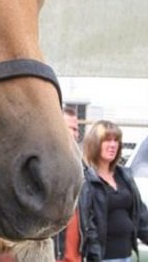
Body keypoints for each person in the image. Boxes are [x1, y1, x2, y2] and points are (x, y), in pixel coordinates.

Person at [78, 120, 148, 262]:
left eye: (116, 140)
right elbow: (88, 225)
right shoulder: (86, 180)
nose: (113, 145)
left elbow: (142, 218)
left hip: (126, 256)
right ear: (95, 144)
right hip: (103, 258)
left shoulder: (124, 176)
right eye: (107, 140)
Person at [52, 106, 83, 262]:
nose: (76, 134)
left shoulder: (83, 172)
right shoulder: (43, 172)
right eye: (71, 128)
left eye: (76, 129)